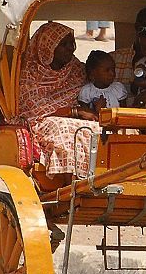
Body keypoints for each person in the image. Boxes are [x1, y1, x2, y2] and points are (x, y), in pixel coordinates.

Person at [18, 22, 99, 179]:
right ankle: (71, 185)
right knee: (63, 129)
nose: (71, 48)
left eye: (72, 43)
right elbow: (34, 112)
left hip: (78, 118)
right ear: (46, 47)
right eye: (64, 44)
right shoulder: (29, 75)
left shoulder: (76, 69)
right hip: (40, 122)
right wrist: (75, 112)